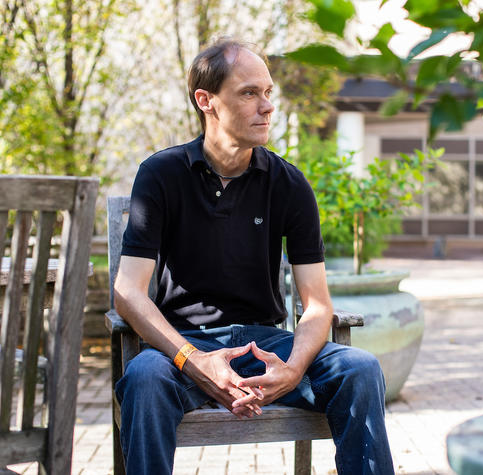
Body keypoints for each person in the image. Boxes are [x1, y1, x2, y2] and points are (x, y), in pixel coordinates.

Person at [113, 38, 395, 475]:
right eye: (249, 93)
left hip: (267, 345)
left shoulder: (289, 184)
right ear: (206, 101)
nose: (267, 107)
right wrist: (195, 360)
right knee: (144, 378)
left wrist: (293, 368)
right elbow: (128, 294)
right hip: (186, 348)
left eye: (268, 93)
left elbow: (318, 305)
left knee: (359, 369)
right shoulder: (162, 175)